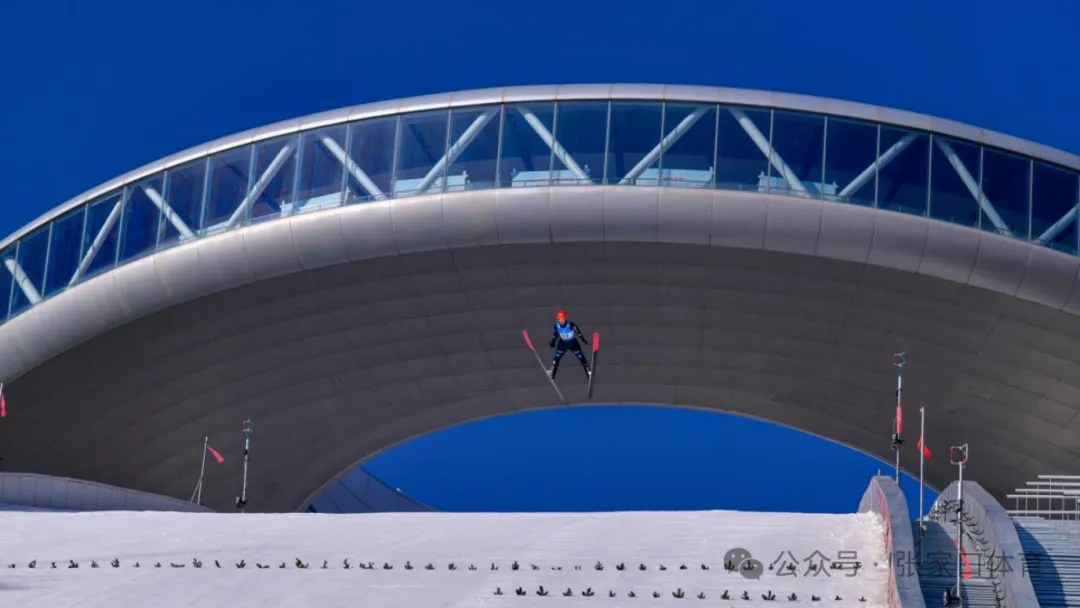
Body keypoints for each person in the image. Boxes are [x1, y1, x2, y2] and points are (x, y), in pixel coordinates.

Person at [549, 310, 591, 379]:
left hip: (572, 343)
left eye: (562, 319)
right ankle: (552, 373)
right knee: (557, 357)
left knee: (581, 357)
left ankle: (588, 372)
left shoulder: (571, 324)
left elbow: (578, 333)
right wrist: (553, 342)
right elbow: (555, 335)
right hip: (563, 343)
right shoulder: (556, 326)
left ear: (565, 318)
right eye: (559, 319)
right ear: (557, 319)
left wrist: (583, 340)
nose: (561, 321)